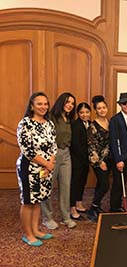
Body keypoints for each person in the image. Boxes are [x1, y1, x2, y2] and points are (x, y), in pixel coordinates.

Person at [16, 92, 57, 246]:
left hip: (46, 169)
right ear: (32, 106)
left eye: (45, 104)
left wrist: (50, 164)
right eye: (39, 104)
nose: (43, 107)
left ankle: (35, 230)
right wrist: (46, 164)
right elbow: (28, 150)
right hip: (29, 168)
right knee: (28, 201)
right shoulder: (25, 123)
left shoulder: (49, 123)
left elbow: (54, 146)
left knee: (38, 200)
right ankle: (28, 234)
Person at [41, 92, 77, 229]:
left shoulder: (69, 119)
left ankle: (66, 217)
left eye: (72, 103)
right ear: (61, 102)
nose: (70, 105)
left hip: (66, 154)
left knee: (66, 187)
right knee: (48, 187)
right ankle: (47, 218)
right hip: (52, 155)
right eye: (67, 102)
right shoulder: (51, 117)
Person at [109, 92, 127, 212]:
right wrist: (118, 159)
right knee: (118, 183)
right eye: (124, 103)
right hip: (119, 156)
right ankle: (114, 207)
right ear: (120, 105)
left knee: (123, 181)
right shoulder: (115, 119)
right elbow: (114, 141)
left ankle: (119, 204)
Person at [87, 95, 111, 221]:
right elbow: (91, 147)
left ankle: (97, 207)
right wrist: (100, 162)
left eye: (104, 107)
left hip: (108, 159)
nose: (102, 110)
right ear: (95, 110)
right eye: (99, 108)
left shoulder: (109, 122)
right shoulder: (92, 126)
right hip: (97, 160)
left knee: (101, 184)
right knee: (105, 185)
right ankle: (93, 208)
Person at [70, 102, 91, 219]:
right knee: (75, 184)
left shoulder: (90, 124)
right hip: (77, 160)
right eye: (82, 112)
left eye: (87, 112)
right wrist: (85, 158)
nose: (84, 115)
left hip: (86, 161)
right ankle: (72, 208)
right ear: (78, 113)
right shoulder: (75, 124)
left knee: (82, 182)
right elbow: (76, 145)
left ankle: (79, 203)